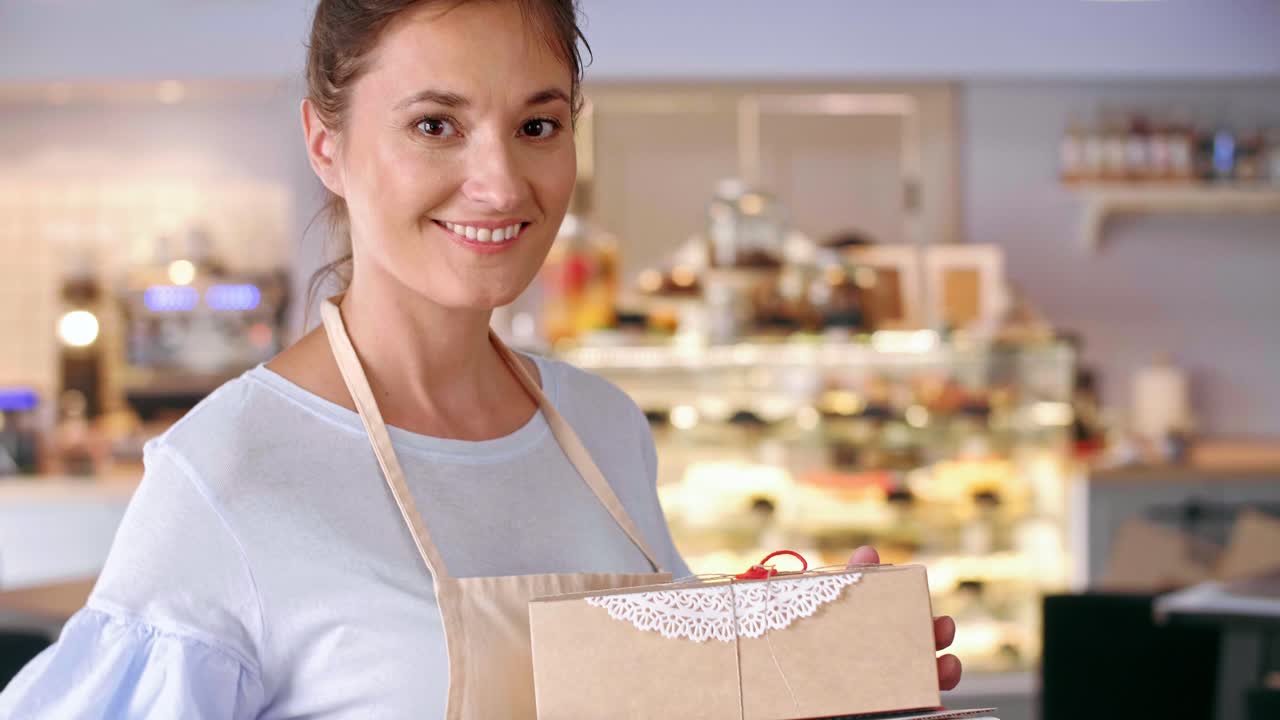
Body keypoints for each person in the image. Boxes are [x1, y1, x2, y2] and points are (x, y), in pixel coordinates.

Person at [0, 1, 960, 717]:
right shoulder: (227, 476)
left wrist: (804, 666)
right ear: (324, 144)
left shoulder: (604, 428)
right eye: (435, 125)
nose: (501, 182)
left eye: (537, 125)